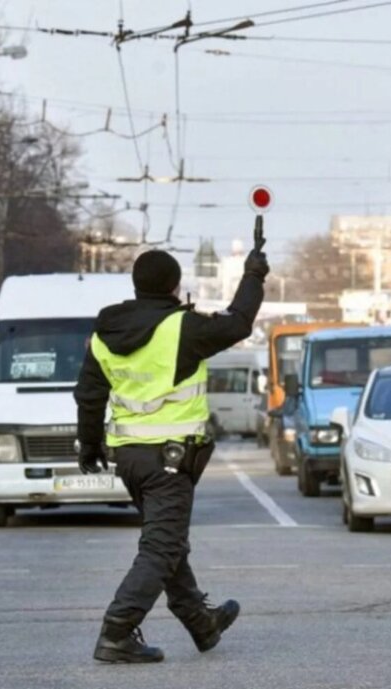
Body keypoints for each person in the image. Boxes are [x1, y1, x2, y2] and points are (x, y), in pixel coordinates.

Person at [74, 242, 269, 664]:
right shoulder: (182, 327)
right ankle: (117, 630)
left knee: (167, 541)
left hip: (128, 456)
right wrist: (253, 276)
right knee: (161, 548)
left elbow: (89, 393)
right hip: (170, 458)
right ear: (174, 286)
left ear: (136, 284)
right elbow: (238, 323)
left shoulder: (104, 332)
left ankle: (202, 622)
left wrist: (88, 445)